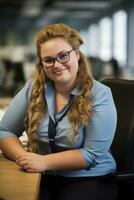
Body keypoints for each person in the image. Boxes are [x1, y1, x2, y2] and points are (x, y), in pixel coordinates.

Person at [0, 23, 118, 200]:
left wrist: (43, 162)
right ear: (42, 63)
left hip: (88, 178)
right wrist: (25, 158)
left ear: (77, 54)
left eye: (63, 56)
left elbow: (91, 155)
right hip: (42, 175)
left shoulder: (100, 94)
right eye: (48, 60)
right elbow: (4, 131)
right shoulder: (33, 89)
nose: (57, 64)